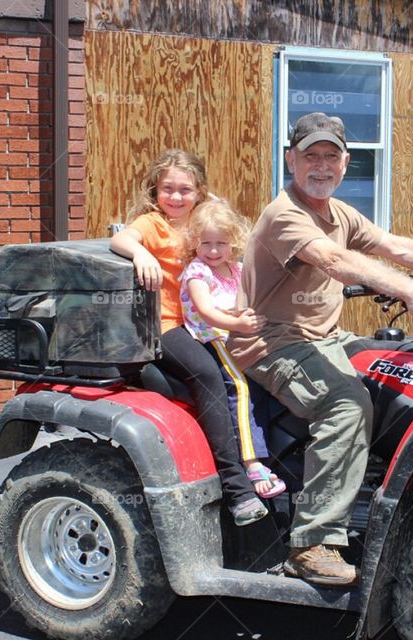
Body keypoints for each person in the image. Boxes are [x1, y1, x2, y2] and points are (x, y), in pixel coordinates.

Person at [228, 113, 413, 586]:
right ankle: (311, 542)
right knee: (346, 405)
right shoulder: (285, 213)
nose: (321, 166)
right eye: (311, 156)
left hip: (324, 337)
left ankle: (386, 490)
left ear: (346, 163)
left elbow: (392, 245)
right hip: (270, 342)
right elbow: (336, 261)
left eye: (331, 156)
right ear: (291, 159)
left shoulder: (339, 213)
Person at [110, 149, 268, 526]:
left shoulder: (202, 225)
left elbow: (232, 237)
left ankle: (263, 460)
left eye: (186, 189)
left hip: (204, 325)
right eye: (168, 189)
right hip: (165, 325)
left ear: (199, 191)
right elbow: (121, 240)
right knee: (208, 376)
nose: (176, 197)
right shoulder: (152, 224)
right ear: (155, 190)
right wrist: (139, 255)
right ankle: (236, 488)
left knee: (255, 370)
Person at [179, 199, 286, 499]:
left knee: (264, 380)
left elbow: (248, 299)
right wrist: (238, 324)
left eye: (221, 243)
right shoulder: (197, 272)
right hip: (213, 335)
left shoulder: (235, 269)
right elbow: (207, 311)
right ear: (195, 243)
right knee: (238, 386)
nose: (213, 251)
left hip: (234, 333)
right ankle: (252, 463)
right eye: (206, 243)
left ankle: (275, 447)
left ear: (233, 241)